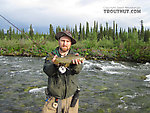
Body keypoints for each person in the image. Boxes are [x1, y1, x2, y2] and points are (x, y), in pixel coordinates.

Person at [42, 30, 84, 113]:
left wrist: (76, 64)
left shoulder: (75, 55)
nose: (65, 43)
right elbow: (47, 71)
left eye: (67, 41)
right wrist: (55, 64)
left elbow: (77, 70)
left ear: (70, 43)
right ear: (59, 42)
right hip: (53, 99)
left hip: (71, 99)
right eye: (63, 41)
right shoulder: (51, 55)